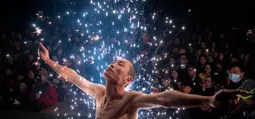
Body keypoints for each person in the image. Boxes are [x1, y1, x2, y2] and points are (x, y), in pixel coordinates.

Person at [39, 42, 246, 119]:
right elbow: (73, 75)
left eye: (120, 64)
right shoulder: (99, 92)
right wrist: (49, 61)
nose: (113, 64)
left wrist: (208, 99)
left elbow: (166, 99)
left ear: (127, 79)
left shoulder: (131, 100)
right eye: (114, 61)